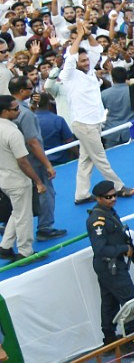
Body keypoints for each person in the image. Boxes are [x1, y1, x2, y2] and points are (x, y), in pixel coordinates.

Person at [60, 23, 134, 204]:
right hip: (84, 124)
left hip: (94, 122)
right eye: (83, 61)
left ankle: (81, 194)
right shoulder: (69, 75)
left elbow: (96, 50)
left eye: (87, 60)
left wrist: (88, 35)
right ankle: (118, 187)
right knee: (101, 158)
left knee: (86, 160)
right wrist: (78, 36)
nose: (87, 63)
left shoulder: (89, 71)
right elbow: (71, 56)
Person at [7, 76, 63, 240]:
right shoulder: (26, 114)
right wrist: (47, 164)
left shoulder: (9, 110)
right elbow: (33, 142)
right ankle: (45, 227)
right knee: (45, 192)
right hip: (33, 161)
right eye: (30, 88)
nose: (33, 91)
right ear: (22, 91)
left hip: (16, 161)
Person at [86, 179, 134, 345]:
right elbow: (100, 249)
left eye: (114, 195)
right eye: (108, 197)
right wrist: (124, 249)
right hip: (110, 265)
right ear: (98, 199)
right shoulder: (97, 221)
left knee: (109, 303)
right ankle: (130, 340)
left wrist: (130, 251)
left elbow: (119, 233)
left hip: (112, 265)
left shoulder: (109, 212)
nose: (113, 199)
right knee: (132, 301)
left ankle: (109, 339)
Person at [0, 95, 45, 262]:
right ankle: (25, 251)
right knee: (24, 216)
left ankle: (5, 246)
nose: (19, 110)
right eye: (15, 108)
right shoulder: (12, 132)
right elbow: (23, 161)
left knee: (17, 212)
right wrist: (38, 181)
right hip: (18, 180)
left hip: (4, 179)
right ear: (5, 112)